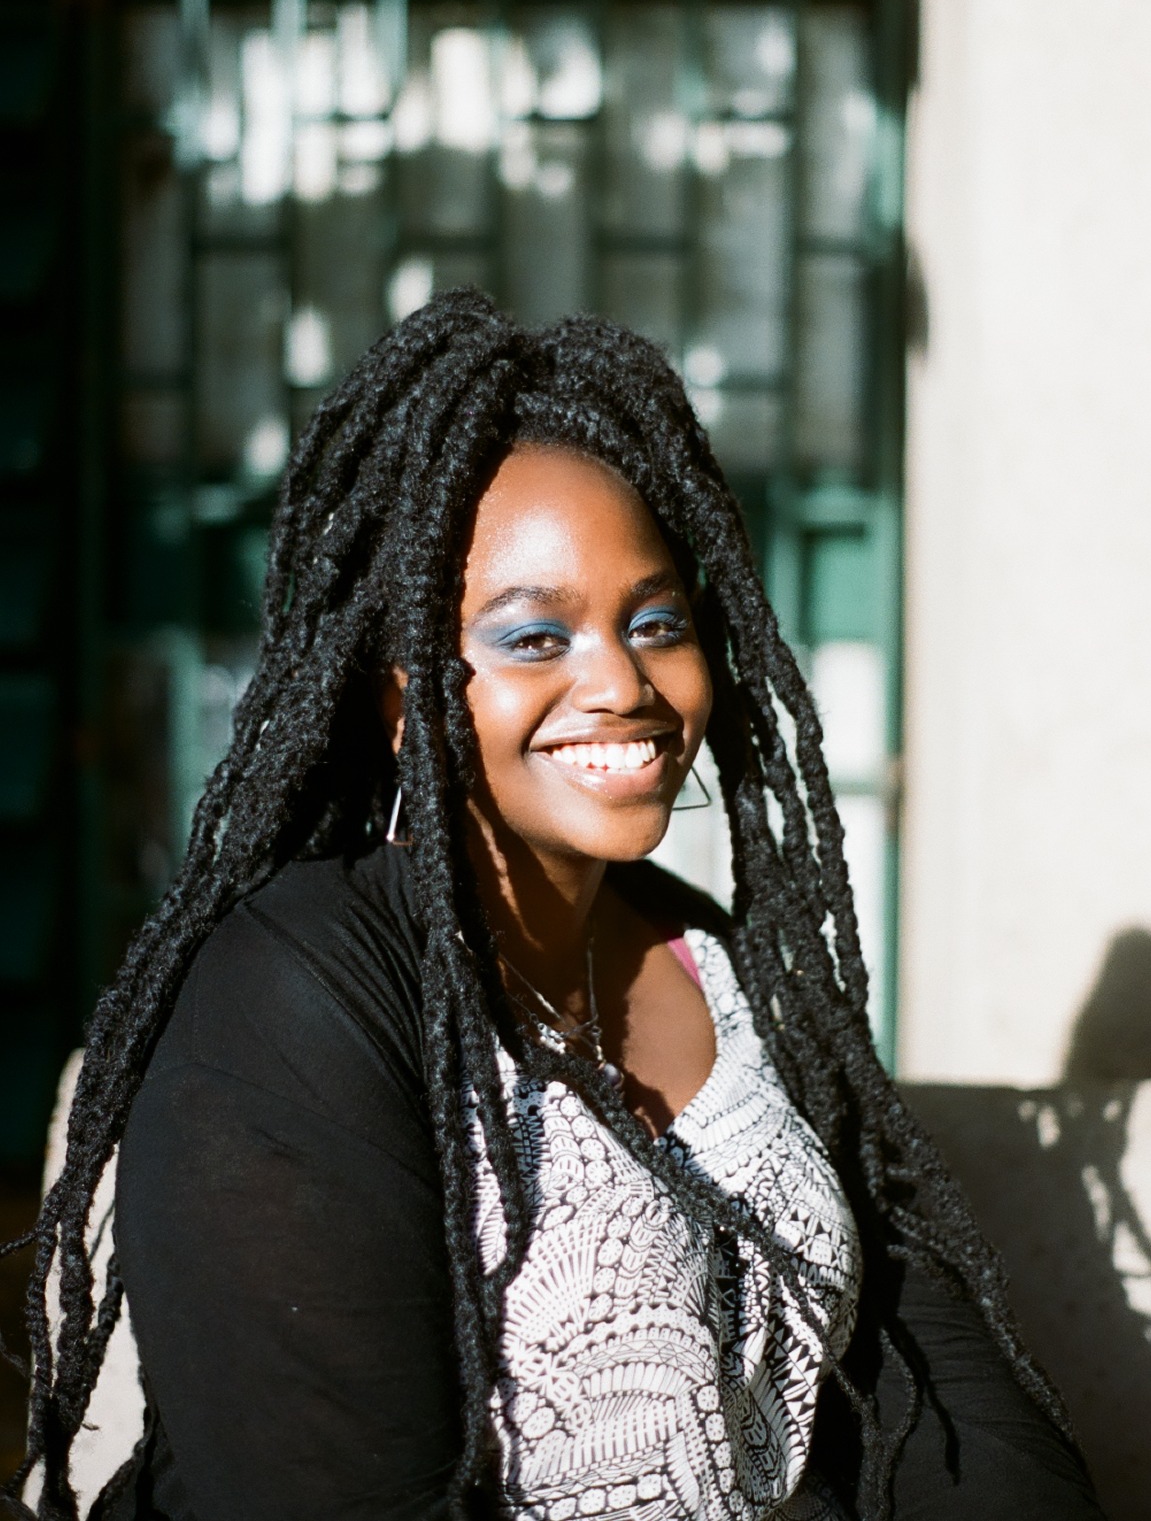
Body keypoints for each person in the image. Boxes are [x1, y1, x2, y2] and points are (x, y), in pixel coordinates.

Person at [3, 291, 1103, 1521]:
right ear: (402, 697)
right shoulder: (292, 992)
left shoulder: (713, 960)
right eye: (534, 639)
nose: (621, 682)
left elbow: (931, 1378)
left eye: (655, 623)